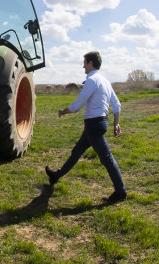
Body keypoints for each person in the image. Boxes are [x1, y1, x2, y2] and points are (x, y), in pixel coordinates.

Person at [45, 51, 127, 202]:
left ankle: (120, 192)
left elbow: (77, 106)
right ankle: (56, 175)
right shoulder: (105, 81)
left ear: (90, 63)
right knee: (77, 151)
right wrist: (116, 124)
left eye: (84, 63)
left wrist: (63, 111)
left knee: (107, 158)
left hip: (94, 125)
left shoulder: (91, 81)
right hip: (100, 123)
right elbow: (116, 104)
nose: (83, 66)